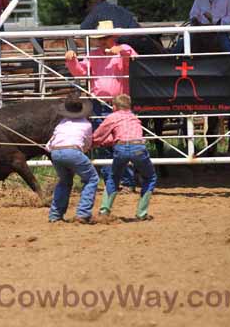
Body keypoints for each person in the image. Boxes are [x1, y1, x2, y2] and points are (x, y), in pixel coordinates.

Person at [65, 19, 138, 188]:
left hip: (120, 104)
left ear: (113, 37)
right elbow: (81, 73)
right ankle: (112, 182)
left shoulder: (124, 51)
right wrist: (72, 61)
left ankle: (126, 182)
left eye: (105, 37)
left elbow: (135, 61)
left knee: (123, 142)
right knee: (105, 143)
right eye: (100, 38)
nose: (102, 41)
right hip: (99, 103)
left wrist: (122, 50)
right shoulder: (94, 54)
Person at [92, 94, 157, 221]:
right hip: (138, 148)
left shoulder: (112, 117)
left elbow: (99, 136)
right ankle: (141, 213)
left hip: (120, 148)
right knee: (150, 177)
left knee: (113, 177)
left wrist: (91, 144)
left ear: (114, 107)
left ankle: (104, 210)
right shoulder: (134, 117)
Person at [46, 94, 98, 224]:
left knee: (65, 181)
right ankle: (83, 213)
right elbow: (87, 144)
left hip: (56, 153)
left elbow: (49, 145)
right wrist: (82, 151)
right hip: (73, 151)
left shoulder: (61, 124)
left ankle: (55, 215)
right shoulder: (86, 124)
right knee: (92, 178)